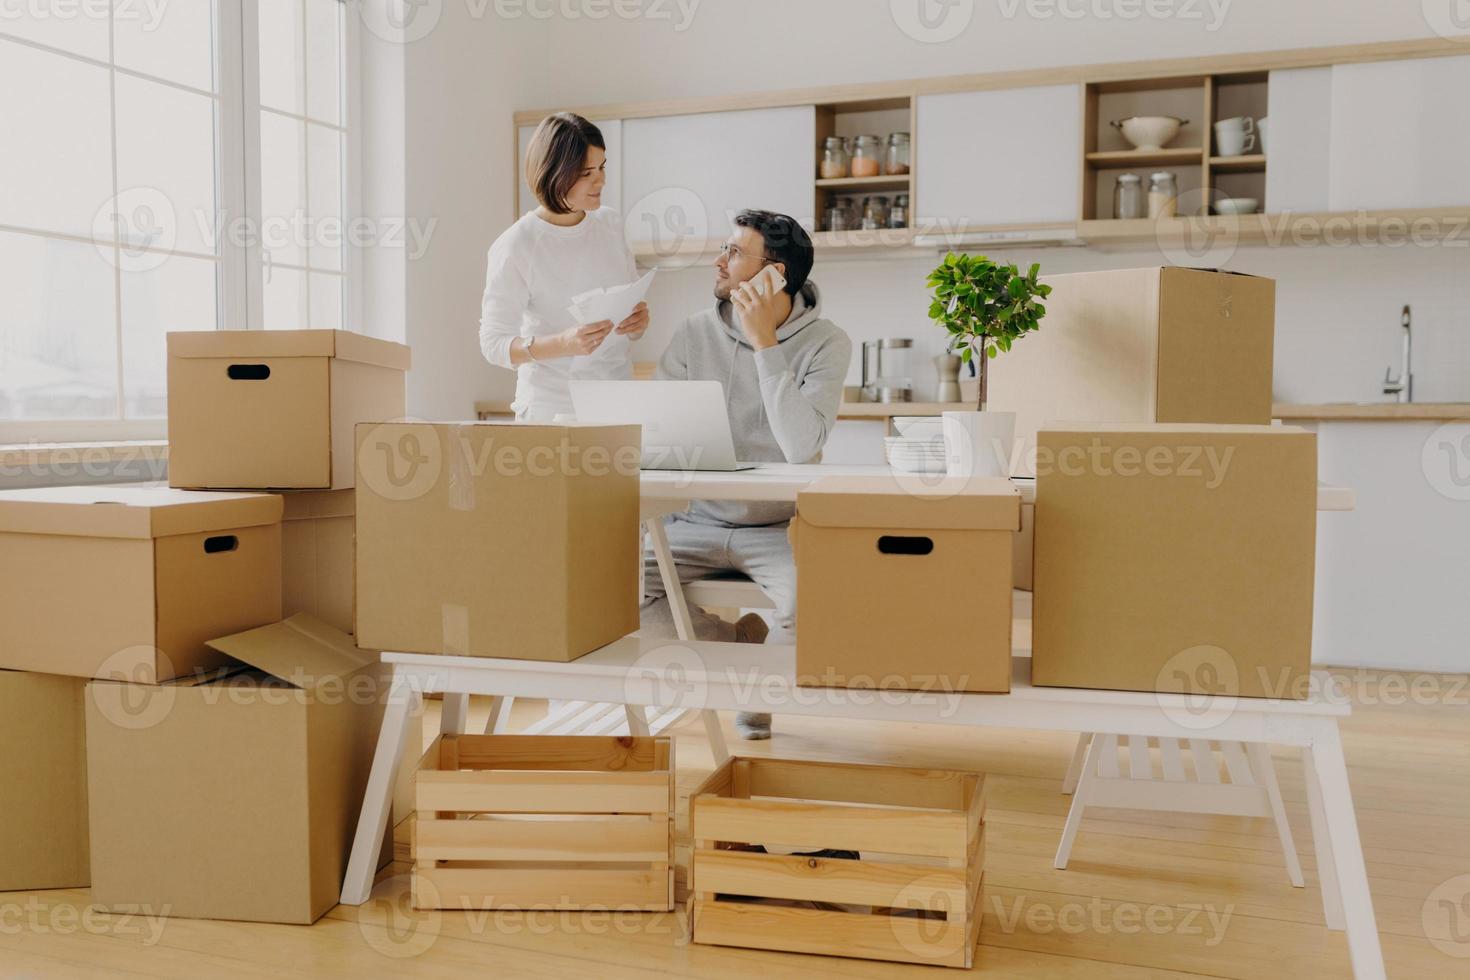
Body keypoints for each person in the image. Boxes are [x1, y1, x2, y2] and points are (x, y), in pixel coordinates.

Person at [641, 209, 852, 740]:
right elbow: (658, 434)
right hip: (695, 520)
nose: (719, 261)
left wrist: (765, 345)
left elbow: (801, 448)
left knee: (817, 601)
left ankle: (756, 697)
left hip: (779, 527)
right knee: (605, 589)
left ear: (774, 273)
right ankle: (741, 652)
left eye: (734, 253)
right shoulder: (693, 334)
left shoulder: (827, 342)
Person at [479, 112, 649, 421]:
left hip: (617, 403)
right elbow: (494, 344)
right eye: (587, 173)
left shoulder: (611, 224)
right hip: (551, 409)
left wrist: (636, 323)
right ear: (555, 173)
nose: (601, 180)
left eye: (602, 167)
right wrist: (563, 344)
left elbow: (626, 317)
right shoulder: (517, 244)